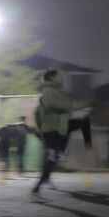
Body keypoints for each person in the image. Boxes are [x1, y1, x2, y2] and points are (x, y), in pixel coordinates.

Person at [31, 69, 81, 202]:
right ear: (52, 78)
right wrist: (43, 131)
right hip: (50, 132)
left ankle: (39, 186)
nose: (62, 78)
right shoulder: (48, 94)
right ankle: (37, 188)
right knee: (51, 157)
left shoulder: (56, 93)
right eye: (59, 76)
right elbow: (40, 114)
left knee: (52, 159)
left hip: (55, 132)